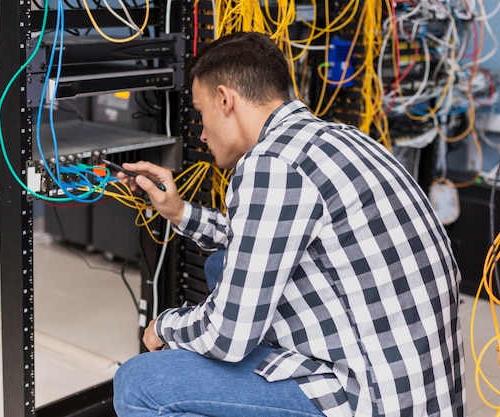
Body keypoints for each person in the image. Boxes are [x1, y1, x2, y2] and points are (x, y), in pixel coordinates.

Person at [113, 31, 466, 417]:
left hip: (367, 400)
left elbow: (227, 334)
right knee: (221, 264)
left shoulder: (272, 164)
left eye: (201, 114)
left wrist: (165, 326)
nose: (201, 132)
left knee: (138, 384)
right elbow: (255, 240)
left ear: (224, 99)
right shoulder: (337, 139)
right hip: (420, 392)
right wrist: (178, 211)